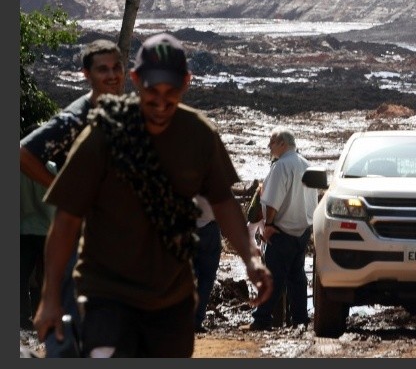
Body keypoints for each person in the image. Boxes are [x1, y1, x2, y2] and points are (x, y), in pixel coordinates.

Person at [33, 32, 273, 357]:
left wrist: (251, 259)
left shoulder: (199, 135)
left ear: (187, 82)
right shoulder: (105, 132)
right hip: (107, 297)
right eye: (151, 92)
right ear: (135, 80)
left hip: (170, 304)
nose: (161, 103)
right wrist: (49, 300)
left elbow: (224, 203)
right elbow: (66, 221)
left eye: (171, 92)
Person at [20, 39, 125, 356]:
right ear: (86, 74)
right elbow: (23, 153)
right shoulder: (76, 117)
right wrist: (61, 187)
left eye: (116, 67)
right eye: (102, 69)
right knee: (67, 335)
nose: (111, 75)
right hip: (80, 242)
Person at [242, 127, 317, 331]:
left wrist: (268, 225)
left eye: (272, 142)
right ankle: (300, 319)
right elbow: (313, 201)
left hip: (281, 231)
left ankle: (262, 320)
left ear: (283, 143)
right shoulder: (307, 165)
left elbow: (272, 202)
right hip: (302, 231)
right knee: (297, 277)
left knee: (273, 278)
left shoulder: (281, 166)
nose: (269, 146)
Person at [20, 155, 57, 330]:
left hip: (24, 228)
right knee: (46, 276)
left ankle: (22, 317)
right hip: (46, 229)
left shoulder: (19, 166)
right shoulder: (49, 167)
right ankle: (43, 315)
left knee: (22, 275)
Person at [192, 195, 222, 333]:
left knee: (184, 277)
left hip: (186, 227)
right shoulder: (213, 175)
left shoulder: (180, 174)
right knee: (206, 279)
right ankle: (196, 321)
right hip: (209, 229)